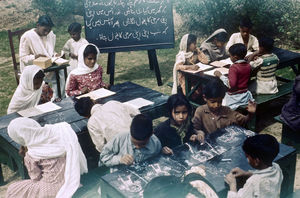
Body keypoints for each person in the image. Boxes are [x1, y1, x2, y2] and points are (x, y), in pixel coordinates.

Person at [6, 117, 88, 198]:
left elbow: (36, 178)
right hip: (71, 177)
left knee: (13, 189)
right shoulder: (59, 131)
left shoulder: (32, 154)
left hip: (50, 189)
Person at [192, 77, 256, 142]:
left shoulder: (227, 111)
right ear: (205, 98)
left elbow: (243, 120)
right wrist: (199, 133)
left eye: (219, 101)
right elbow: (195, 128)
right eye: (213, 102)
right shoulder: (200, 111)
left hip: (225, 144)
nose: (216, 105)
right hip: (208, 145)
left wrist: (250, 113)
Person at [19, 15, 65, 99]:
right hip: (33, 68)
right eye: (44, 30)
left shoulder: (50, 34)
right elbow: (23, 57)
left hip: (48, 66)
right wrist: (35, 57)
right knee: (40, 85)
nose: (46, 33)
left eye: (49, 30)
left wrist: (55, 55)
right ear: (38, 25)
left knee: (62, 72)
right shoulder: (27, 36)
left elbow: (49, 51)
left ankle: (58, 98)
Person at [74, 96, 140, 152]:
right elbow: (136, 113)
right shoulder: (113, 103)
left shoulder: (92, 123)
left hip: (124, 152)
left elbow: (101, 147)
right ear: (94, 101)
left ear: (85, 116)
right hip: (140, 138)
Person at [215, 43, 254, 110]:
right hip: (245, 96)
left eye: (230, 56)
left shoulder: (234, 68)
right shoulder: (248, 66)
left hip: (234, 98)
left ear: (235, 57)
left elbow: (231, 85)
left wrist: (220, 75)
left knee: (219, 106)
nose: (229, 57)